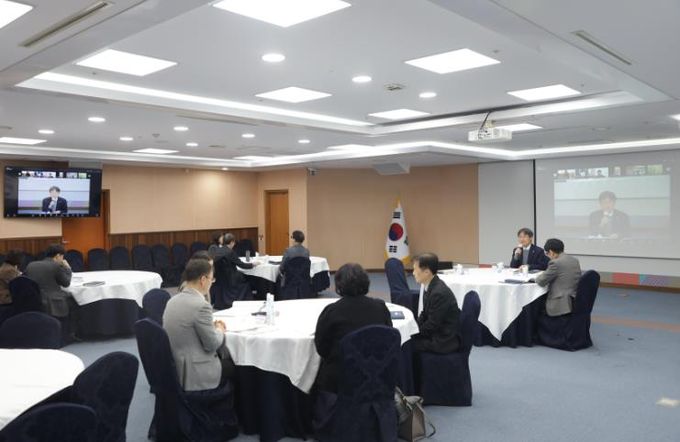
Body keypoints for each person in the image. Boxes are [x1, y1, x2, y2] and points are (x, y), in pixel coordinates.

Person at [314, 263, 392, 393]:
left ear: (339, 285)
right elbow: (388, 337)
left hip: (340, 379)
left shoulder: (332, 311)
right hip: (376, 373)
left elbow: (321, 348)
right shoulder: (380, 307)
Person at [163, 258, 234, 391]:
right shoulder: (201, 305)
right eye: (212, 279)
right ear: (203, 280)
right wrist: (219, 329)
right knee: (238, 367)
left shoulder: (172, 300)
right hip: (195, 373)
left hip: (177, 367)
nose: (212, 283)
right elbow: (212, 344)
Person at [25, 244, 78, 340]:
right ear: (58, 255)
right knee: (75, 301)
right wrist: (67, 268)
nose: (62, 259)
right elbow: (66, 283)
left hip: (34, 298)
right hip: (52, 299)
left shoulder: (31, 265)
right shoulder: (55, 266)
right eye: (62, 257)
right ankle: (70, 334)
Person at [411, 253, 461, 353]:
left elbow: (432, 324)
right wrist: (413, 329)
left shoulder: (439, 293)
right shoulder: (430, 285)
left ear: (426, 272)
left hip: (443, 340)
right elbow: (424, 314)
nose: (413, 273)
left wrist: (413, 334)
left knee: (405, 345)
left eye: (415, 270)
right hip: (437, 332)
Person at [534, 238, 582, 317]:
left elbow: (541, 281)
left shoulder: (555, 263)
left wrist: (539, 276)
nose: (548, 256)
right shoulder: (574, 260)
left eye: (547, 253)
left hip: (560, 302)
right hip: (573, 298)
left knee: (534, 305)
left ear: (551, 252)